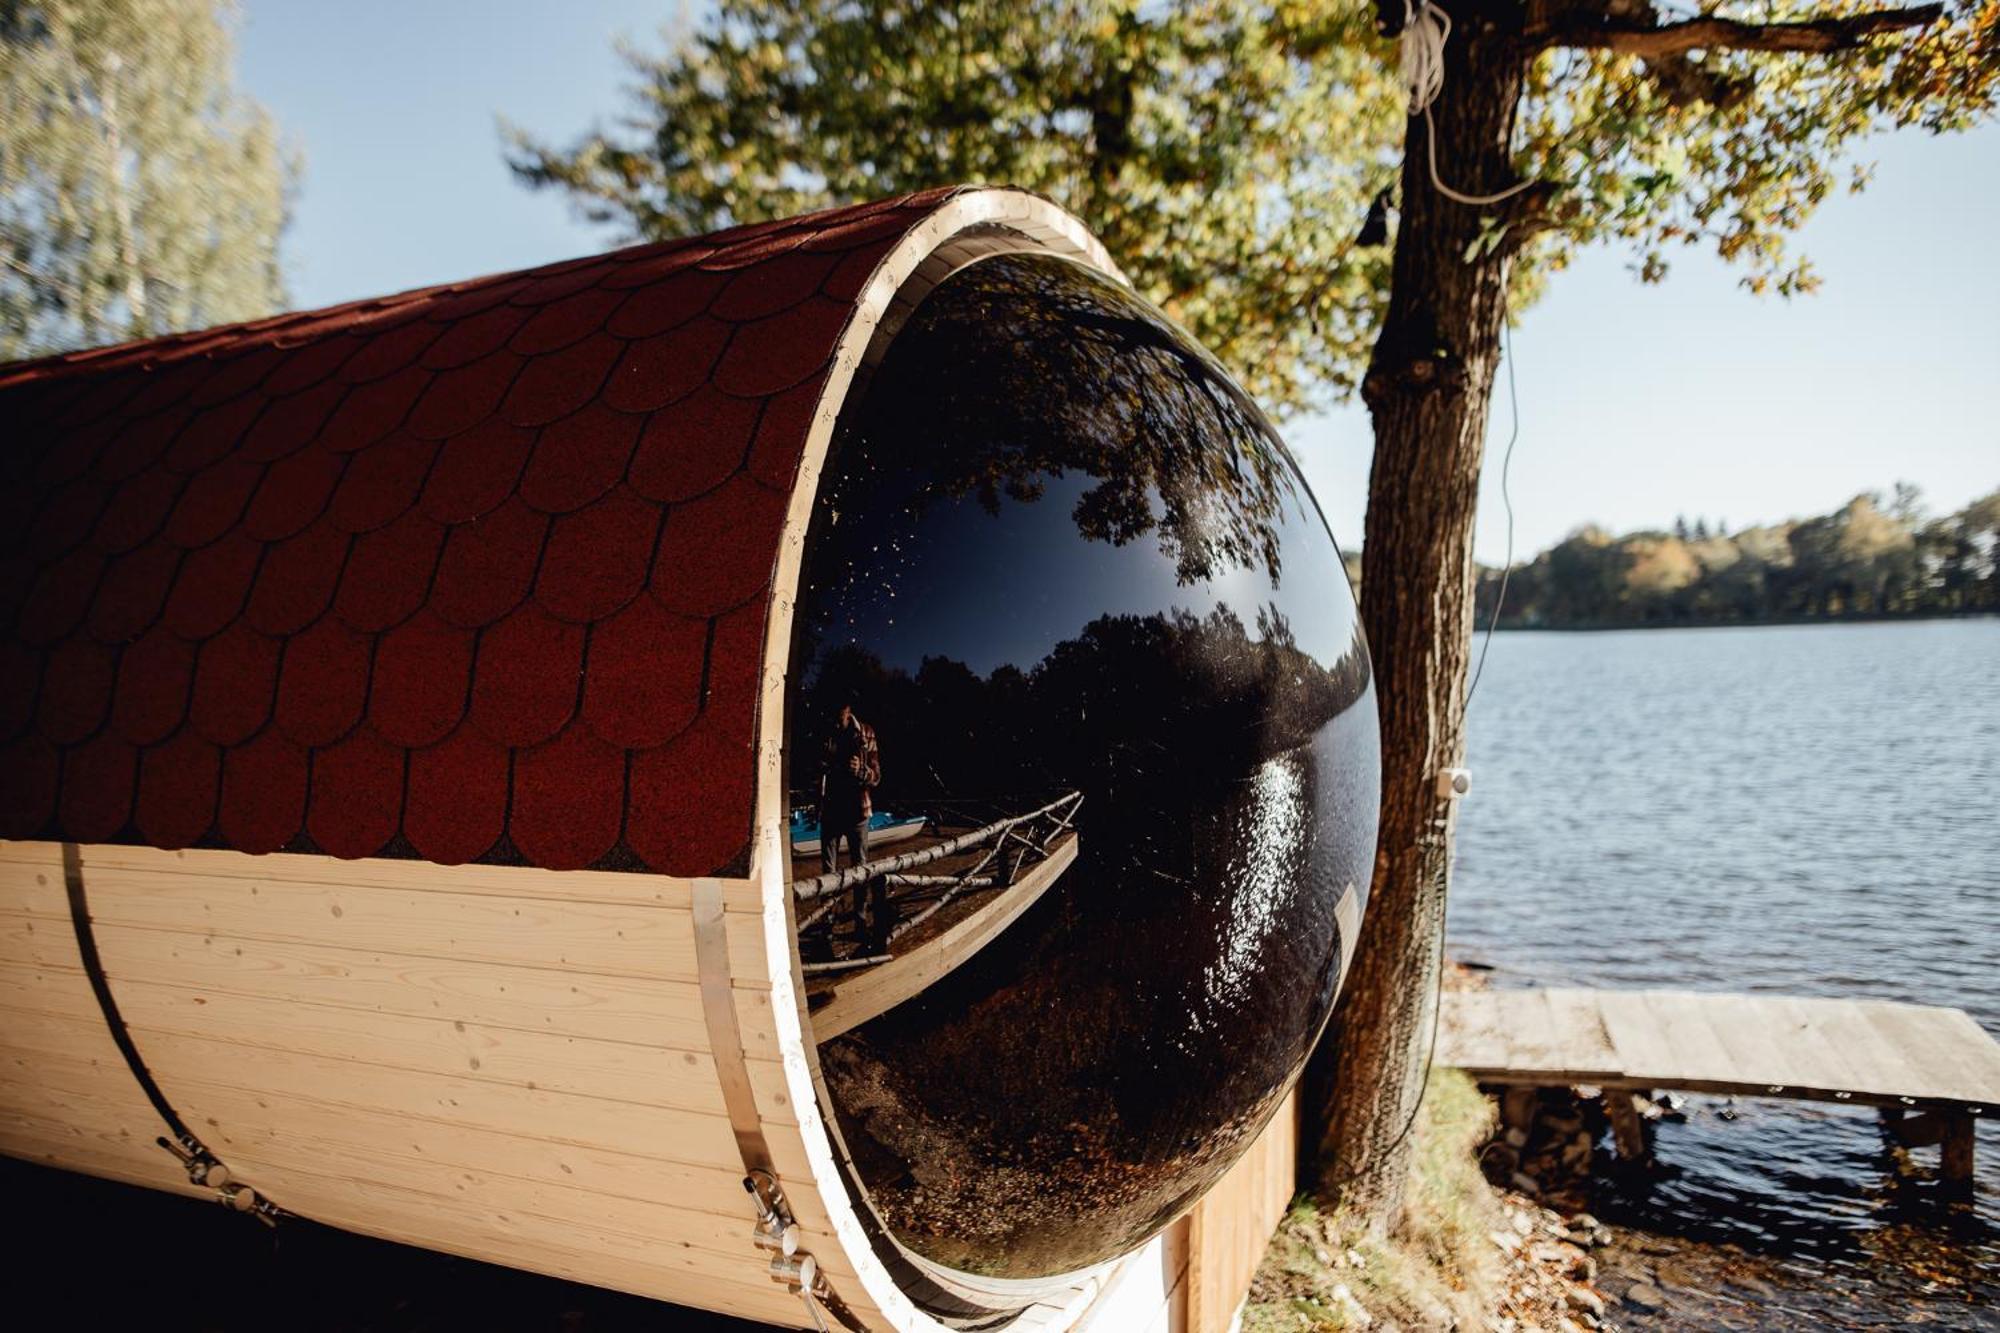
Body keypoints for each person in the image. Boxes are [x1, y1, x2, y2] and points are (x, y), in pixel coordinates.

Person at [819, 702, 885, 943]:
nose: (837, 717)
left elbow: (877, 776)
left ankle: (860, 923)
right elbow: (813, 768)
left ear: (848, 708)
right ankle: (827, 927)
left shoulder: (866, 732)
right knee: (828, 873)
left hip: (857, 813)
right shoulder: (824, 731)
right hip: (831, 812)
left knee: (861, 870)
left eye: (841, 711)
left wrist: (861, 771)